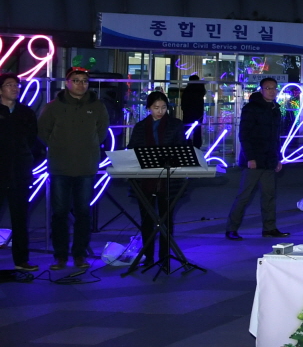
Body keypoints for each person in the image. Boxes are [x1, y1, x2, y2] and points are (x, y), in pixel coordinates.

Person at [37, 68, 111, 270]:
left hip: (86, 167)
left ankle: (79, 254)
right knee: (59, 213)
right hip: (60, 167)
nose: (81, 84)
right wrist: (58, 147)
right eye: (76, 80)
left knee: (83, 213)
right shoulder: (53, 107)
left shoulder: (97, 106)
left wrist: (88, 147)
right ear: (67, 83)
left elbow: (102, 132)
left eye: (85, 81)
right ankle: (60, 256)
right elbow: (43, 131)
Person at [129, 91, 188, 266]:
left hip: (168, 179)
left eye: (163, 107)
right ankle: (148, 256)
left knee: (166, 219)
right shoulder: (140, 127)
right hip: (145, 179)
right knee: (147, 219)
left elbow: (181, 147)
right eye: (156, 108)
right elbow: (132, 148)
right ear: (149, 108)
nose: (160, 111)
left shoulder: (175, 125)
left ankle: (164, 256)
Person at [225, 77, 287, 241]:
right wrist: (250, 157)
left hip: (269, 159)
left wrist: (278, 158)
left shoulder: (275, 108)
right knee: (244, 196)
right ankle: (231, 229)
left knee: (269, 196)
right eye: (268, 88)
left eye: (274, 88)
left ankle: (269, 228)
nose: (272, 91)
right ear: (261, 90)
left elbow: (275, 137)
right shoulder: (251, 108)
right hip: (254, 160)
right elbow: (244, 134)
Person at [0, 73, 42, 271]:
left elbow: (32, 140)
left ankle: (21, 260)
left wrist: (26, 158)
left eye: (16, 85)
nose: (15, 88)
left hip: (20, 172)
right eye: (9, 85)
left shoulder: (26, 112)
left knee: (20, 218)